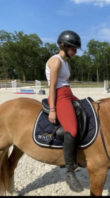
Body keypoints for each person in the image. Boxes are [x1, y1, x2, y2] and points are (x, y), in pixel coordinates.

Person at [45, 30, 83, 192]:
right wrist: (53, 109)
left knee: (89, 109)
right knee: (72, 129)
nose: (75, 51)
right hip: (59, 96)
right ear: (64, 46)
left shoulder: (66, 63)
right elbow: (53, 86)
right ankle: (69, 171)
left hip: (68, 93)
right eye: (73, 48)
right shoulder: (55, 61)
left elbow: (66, 83)